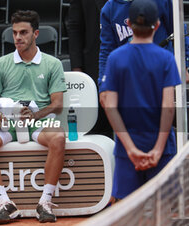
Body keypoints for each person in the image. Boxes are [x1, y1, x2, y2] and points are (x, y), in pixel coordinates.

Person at [0, 10, 67, 225]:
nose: (17, 37)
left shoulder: (53, 64)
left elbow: (57, 105)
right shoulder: (0, 64)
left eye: (23, 32)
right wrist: (0, 116)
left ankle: (45, 202)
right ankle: (6, 204)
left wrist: (35, 114)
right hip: (7, 122)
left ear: (36, 34)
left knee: (59, 138)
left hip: (38, 120)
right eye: (15, 33)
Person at [99, 0, 181, 200]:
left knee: (125, 207)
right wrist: (158, 150)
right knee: (166, 206)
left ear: (128, 24)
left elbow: (110, 106)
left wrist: (131, 149)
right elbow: (168, 107)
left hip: (128, 147)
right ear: (157, 25)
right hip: (162, 145)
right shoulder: (166, 58)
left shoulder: (115, 58)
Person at [98, 0, 189, 106]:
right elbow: (106, 50)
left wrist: (184, 66)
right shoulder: (109, 8)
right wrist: (103, 84)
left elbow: (179, 30)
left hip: (159, 73)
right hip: (129, 78)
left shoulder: (162, 2)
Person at [67, 0, 112, 138]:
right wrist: (76, 66)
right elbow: (74, 27)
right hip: (94, 61)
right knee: (98, 121)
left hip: (128, 58)